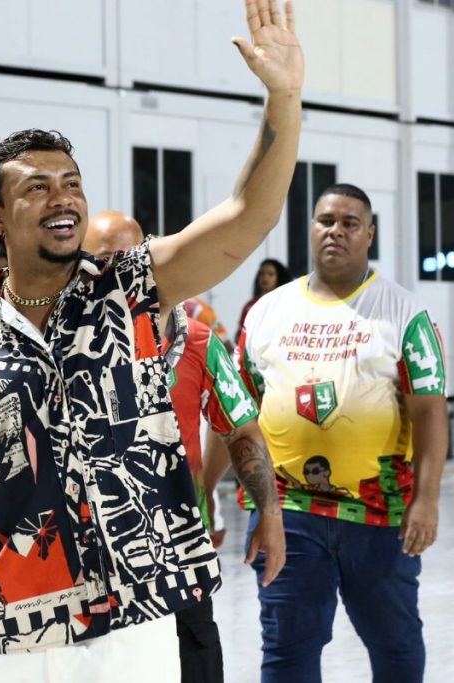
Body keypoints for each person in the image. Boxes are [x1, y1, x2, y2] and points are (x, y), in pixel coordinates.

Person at [0, 4, 303, 679]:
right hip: (9, 627)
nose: (63, 198)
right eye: (38, 188)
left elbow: (246, 216)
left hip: (134, 616)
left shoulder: (131, 288)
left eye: (73, 184)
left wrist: (283, 99)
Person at [236, 183, 448, 683]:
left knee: (395, 646)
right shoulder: (266, 313)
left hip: (380, 514)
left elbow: (431, 412)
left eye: (350, 222)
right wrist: (208, 490)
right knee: (287, 650)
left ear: (369, 234)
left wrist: (428, 500)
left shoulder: (403, 313)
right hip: (285, 511)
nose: (336, 230)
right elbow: (238, 415)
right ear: (311, 228)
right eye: (325, 220)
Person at [84, 210, 284, 683]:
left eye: (130, 260)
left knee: (194, 666)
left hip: (179, 554)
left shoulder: (196, 340)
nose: (117, 274)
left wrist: (269, 515)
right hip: (89, 563)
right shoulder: (58, 340)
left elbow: (242, 431)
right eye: (100, 262)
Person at [235, 258, 291, 343]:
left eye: (270, 274)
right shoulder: (249, 306)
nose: (265, 277)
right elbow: (240, 333)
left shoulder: (285, 304)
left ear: (279, 278)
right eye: (262, 274)